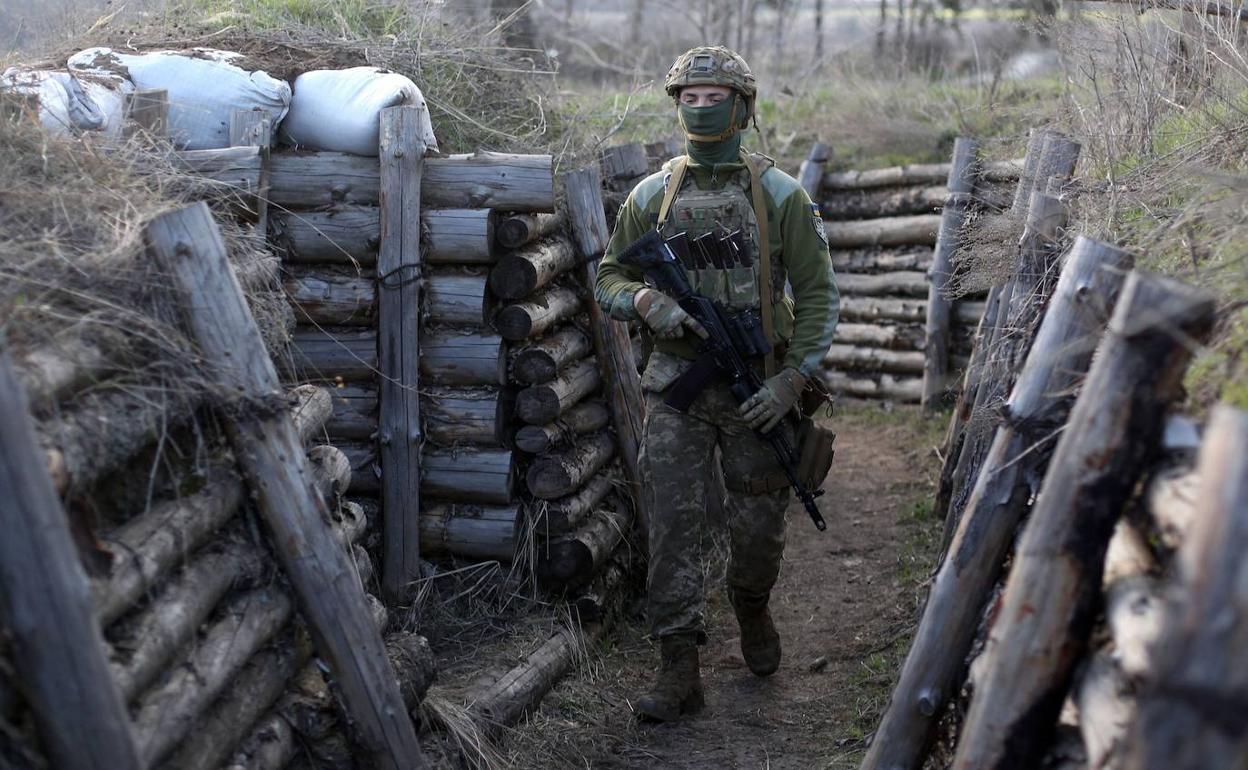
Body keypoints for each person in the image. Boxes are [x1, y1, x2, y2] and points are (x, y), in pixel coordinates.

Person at [594, 45, 840, 722]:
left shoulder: (781, 196)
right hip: (676, 384)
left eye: (715, 97)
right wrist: (647, 302)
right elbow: (609, 275)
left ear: (743, 106)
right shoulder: (652, 195)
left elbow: (818, 295)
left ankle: (752, 605)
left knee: (758, 528)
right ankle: (678, 665)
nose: (701, 108)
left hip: (757, 391)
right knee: (673, 523)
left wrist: (792, 379)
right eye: (689, 97)